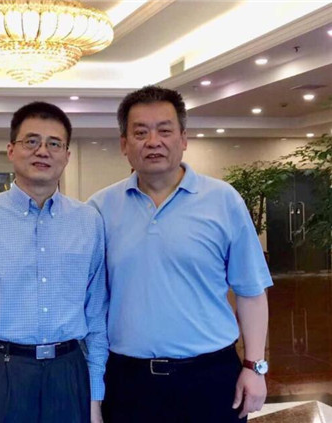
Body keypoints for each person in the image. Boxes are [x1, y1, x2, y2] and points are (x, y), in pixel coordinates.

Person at [88, 85, 273, 423]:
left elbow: (251, 290)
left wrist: (254, 366)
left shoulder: (223, 200)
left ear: (184, 138)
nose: (153, 141)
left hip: (210, 377)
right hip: (128, 381)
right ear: (124, 144)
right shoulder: (100, 208)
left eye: (165, 130)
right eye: (140, 132)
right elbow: (90, 301)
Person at [0, 102, 108, 423]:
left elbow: (97, 314)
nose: (42, 151)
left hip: (69, 373)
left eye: (54, 143)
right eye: (31, 141)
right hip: (1, 374)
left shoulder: (88, 221)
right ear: (11, 150)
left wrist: (94, 396)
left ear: (67, 156)